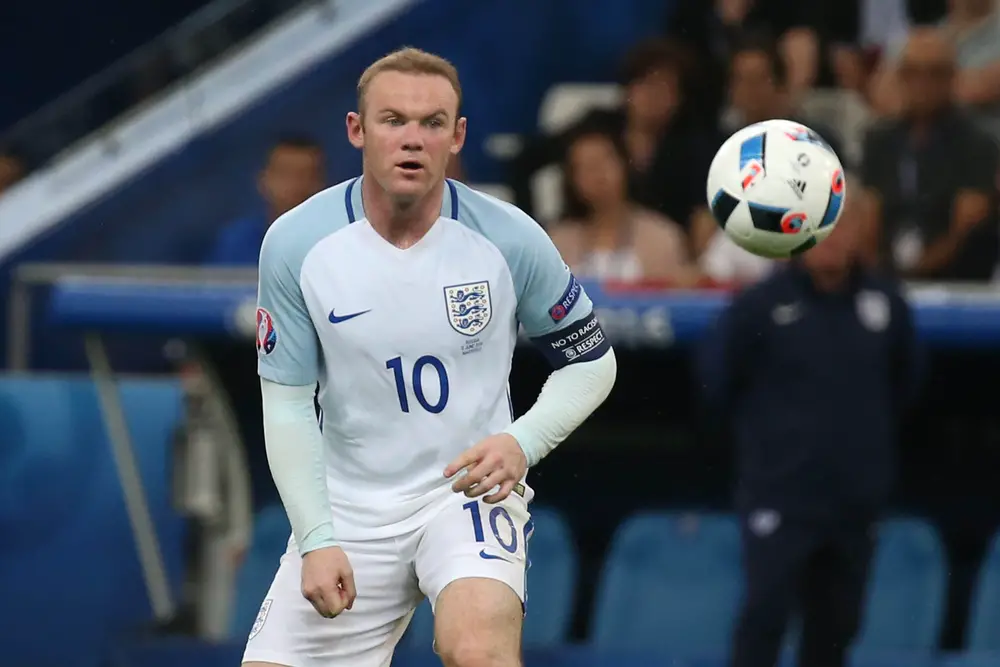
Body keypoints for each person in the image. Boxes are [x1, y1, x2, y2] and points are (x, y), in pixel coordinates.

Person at [241, 48, 617, 667]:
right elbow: (286, 406)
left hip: (467, 494)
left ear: (458, 136)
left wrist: (523, 442)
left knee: (478, 651)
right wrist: (316, 537)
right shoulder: (296, 244)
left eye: (432, 122)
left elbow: (591, 361)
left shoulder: (510, 237)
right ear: (357, 130)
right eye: (393, 120)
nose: (412, 139)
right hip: (350, 508)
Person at [698, 197, 921, 667]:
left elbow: (906, 386)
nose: (832, 240)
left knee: (837, 631)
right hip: (781, 498)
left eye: (842, 226)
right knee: (763, 620)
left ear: (860, 233)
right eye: (821, 228)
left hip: (854, 503)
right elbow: (717, 383)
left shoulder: (887, 304)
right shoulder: (760, 305)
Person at [861, 28, 999, 280]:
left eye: (935, 73)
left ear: (952, 78)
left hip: (958, 279)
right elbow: (868, 218)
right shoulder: (880, 140)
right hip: (887, 272)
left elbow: (965, 228)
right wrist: (883, 278)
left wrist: (914, 274)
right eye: (912, 72)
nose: (923, 83)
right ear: (900, 77)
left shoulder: (977, 143)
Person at [547, 128, 701, 285]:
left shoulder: (662, 236)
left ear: (624, 164)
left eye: (604, 162)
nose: (598, 175)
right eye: (586, 167)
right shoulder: (556, 244)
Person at [206, 135, 326, 265]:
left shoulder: (335, 241)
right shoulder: (236, 242)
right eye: (284, 174)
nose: (296, 186)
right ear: (264, 181)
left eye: (307, 176)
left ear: (323, 184)